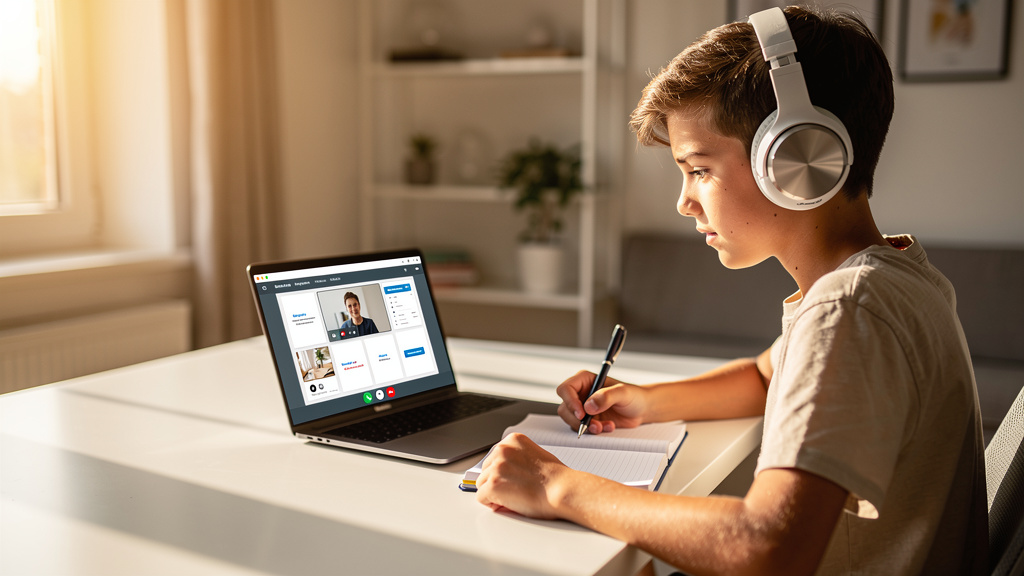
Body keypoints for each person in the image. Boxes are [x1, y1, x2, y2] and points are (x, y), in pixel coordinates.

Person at [473, 6, 987, 575]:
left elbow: (768, 546)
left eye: (698, 169)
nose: (683, 200)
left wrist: (557, 485)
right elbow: (768, 376)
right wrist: (646, 399)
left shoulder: (848, 309)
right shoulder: (895, 276)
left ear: (794, 161)